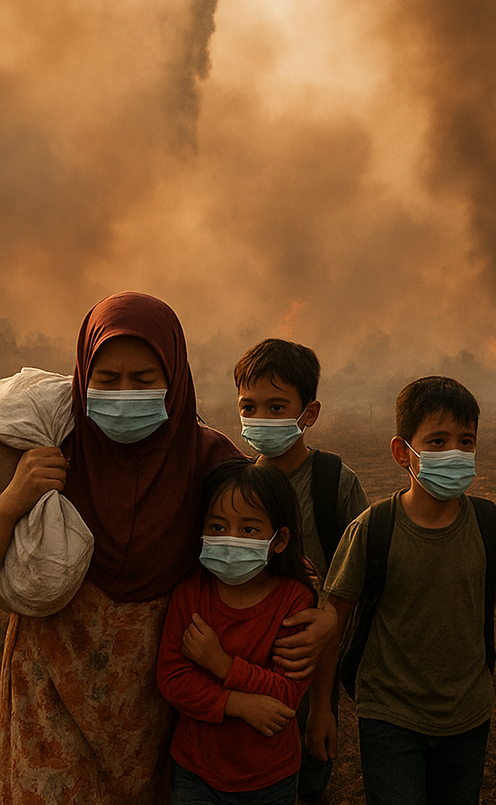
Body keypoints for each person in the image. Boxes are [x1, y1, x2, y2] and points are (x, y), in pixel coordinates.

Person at [0, 292, 336, 804]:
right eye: (107, 380)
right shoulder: (46, 446)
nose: (124, 394)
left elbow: (264, 538)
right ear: (82, 378)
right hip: (51, 683)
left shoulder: (207, 457)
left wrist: (324, 612)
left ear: (175, 379)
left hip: (155, 692)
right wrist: (11, 501)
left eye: (144, 379)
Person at [308, 375, 496, 804]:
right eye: (436, 441)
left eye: (465, 441)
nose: (453, 453)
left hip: (468, 716)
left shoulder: (494, 527)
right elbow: (334, 621)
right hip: (387, 714)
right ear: (403, 452)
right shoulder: (372, 530)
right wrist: (321, 708)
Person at [234, 337, 368, 803]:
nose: (260, 420)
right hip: (239, 667)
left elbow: (340, 601)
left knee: (307, 785)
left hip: (308, 678)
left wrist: (323, 709)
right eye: (249, 408)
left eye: (276, 407)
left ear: (308, 414)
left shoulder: (336, 484)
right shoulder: (234, 487)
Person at [158, 458, 318, 804]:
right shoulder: (190, 593)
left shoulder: (295, 601)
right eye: (217, 527)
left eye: (248, 530)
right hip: (194, 773)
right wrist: (239, 704)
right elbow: (172, 678)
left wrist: (221, 664)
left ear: (279, 540)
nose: (230, 539)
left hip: (269, 776)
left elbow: (286, 696)